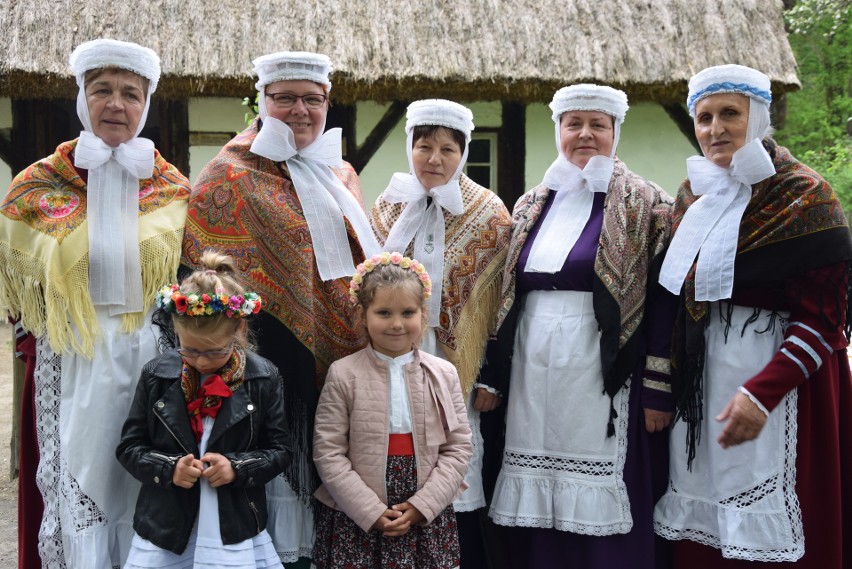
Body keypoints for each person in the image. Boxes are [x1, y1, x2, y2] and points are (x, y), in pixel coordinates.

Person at [182, 51, 380, 563]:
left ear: (327, 104)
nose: (299, 110)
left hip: (342, 358)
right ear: (262, 101)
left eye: (311, 99)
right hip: (264, 360)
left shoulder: (342, 172)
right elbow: (201, 277)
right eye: (285, 98)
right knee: (274, 494)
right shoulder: (228, 172)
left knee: (332, 479)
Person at [0, 39, 190, 567]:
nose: (116, 104)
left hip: (151, 356)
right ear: (82, 98)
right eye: (101, 89)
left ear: (146, 104)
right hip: (74, 352)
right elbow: (19, 281)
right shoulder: (36, 184)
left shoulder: (172, 186)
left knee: (145, 471)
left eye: (130, 93)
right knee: (85, 470)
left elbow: (190, 272)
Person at [654, 64, 852, 568]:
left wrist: (762, 393)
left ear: (759, 117)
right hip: (705, 385)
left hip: (785, 387)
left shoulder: (807, 197)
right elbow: (672, 299)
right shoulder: (690, 197)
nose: (715, 129)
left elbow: (826, 320)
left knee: (775, 526)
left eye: (730, 114)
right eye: (703, 118)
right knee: (706, 523)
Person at [488, 84, 675, 568]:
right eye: (574, 124)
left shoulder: (647, 203)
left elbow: (663, 303)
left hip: (603, 371)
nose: (585, 135)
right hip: (533, 367)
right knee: (535, 483)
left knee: (600, 487)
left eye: (598, 125)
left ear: (616, 132)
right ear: (558, 131)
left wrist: (657, 389)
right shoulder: (532, 203)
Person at [369, 99, 512, 568]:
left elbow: (500, 302)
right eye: (424, 146)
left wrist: (490, 374)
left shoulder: (489, 212)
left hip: (456, 362)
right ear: (408, 146)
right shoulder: (387, 204)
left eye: (448, 149)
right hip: (392, 351)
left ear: (463, 152)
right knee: (395, 449)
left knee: (454, 455)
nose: (434, 159)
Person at [116, 250, 290, 568]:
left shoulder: (263, 377)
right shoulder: (157, 374)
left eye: (214, 352)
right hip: (167, 529)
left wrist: (237, 468)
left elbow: (279, 451)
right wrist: (169, 468)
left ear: (238, 331)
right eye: (190, 350)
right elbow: (130, 448)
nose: (201, 361)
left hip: (232, 528)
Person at [312, 252, 473, 568]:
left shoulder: (444, 373)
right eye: (384, 312)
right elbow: (328, 453)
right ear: (363, 315)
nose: (397, 324)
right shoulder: (343, 373)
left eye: (408, 312)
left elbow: (458, 448)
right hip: (359, 514)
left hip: (425, 511)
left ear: (422, 315)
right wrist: (369, 511)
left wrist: (421, 506)